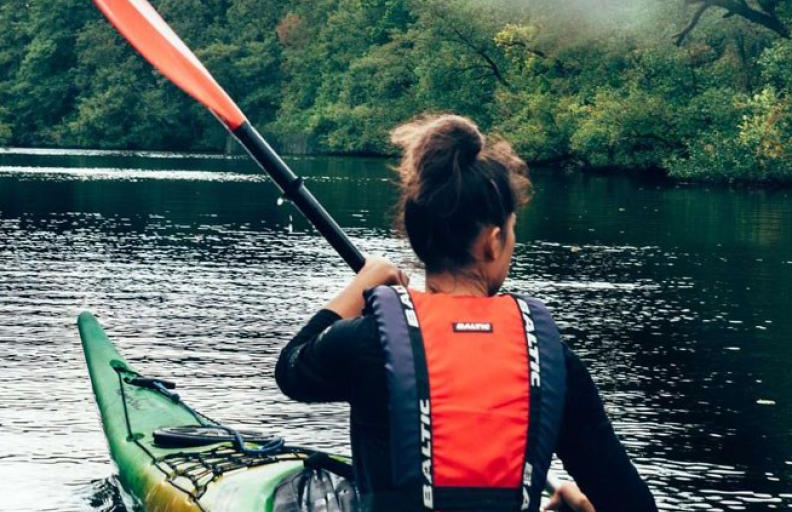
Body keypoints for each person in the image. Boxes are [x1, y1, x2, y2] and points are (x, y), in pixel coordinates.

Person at [274, 115, 657, 512]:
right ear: (493, 242)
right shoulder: (553, 362)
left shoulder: (364, 343)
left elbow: (291, 368)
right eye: (512, 229)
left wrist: (361, 285)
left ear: (417, 235)